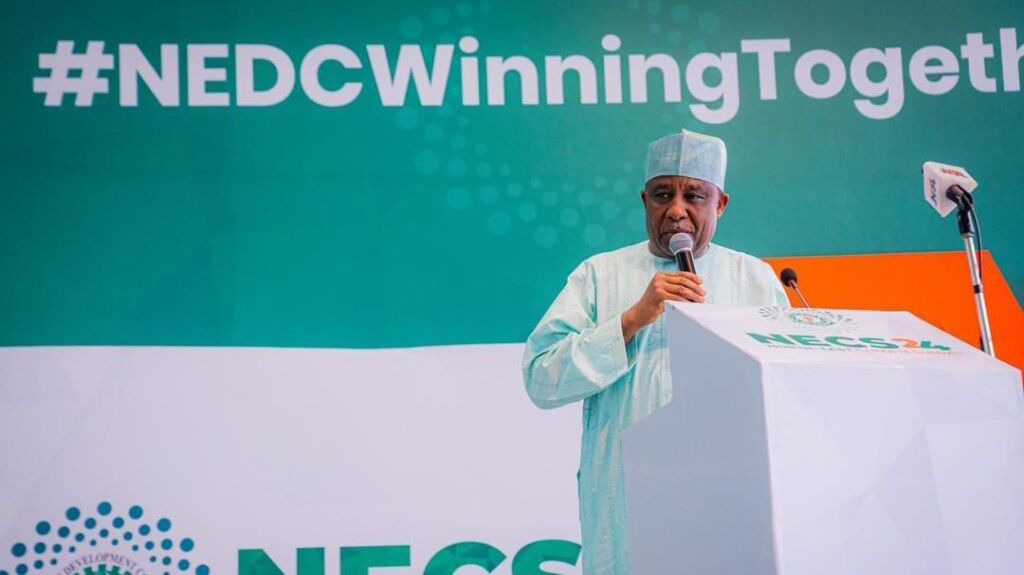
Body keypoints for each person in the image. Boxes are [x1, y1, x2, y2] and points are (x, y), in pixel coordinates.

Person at [522, 129, 789, 575]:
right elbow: (541, 378)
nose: (677, 210)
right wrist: (631, 320)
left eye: (694, 196)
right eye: (663, 195)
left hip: (728, 500)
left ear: (721, 204)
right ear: (645, 200)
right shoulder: (599, 276)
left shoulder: (755, 281)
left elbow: (783, 395)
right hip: (627, 504)